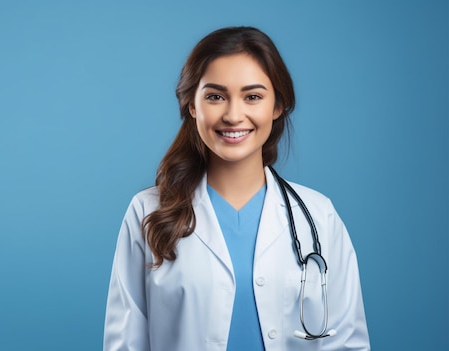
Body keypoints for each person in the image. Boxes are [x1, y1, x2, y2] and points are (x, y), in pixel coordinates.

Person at [103, 26, 370, 351]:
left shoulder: (318, 216)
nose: (233, 115)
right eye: (215, 96)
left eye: (252, 97)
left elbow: (348, 343)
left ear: (277, 107)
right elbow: (125, 343)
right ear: (191, 105)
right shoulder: (147, 212)